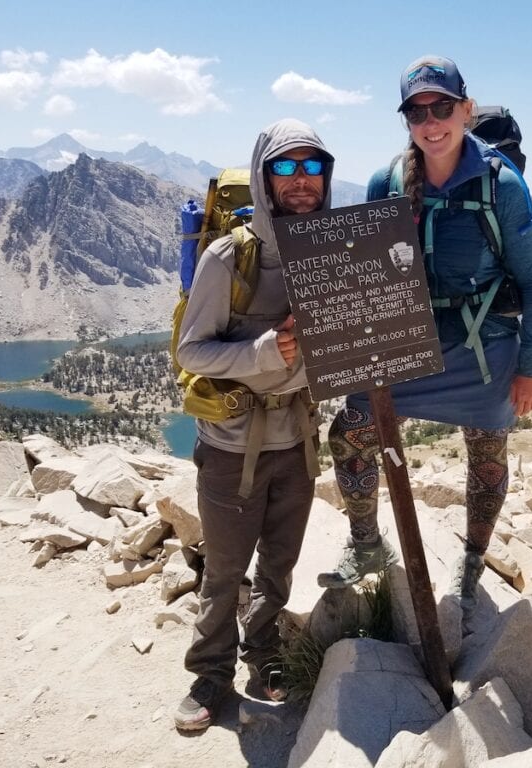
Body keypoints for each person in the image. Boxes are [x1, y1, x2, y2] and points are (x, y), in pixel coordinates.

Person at [318, 56, 532, 620]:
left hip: (485, 343)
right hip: (406, 341)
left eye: (442, 106)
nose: (431, 120)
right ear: (407, 120)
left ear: (465, 110)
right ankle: (367, 544)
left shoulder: (502, 185)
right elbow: (367, 271)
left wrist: (531, 366)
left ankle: (471, 561)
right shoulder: (387, 182)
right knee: (350, 435)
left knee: (487, 453)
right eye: (417, 110)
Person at [172, 119, 334, 731]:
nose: (300, 181)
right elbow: (193, 352)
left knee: (280, 565)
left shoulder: (332, 251)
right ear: (265, 177)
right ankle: (210, 675)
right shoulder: (225, 257)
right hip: (232, 445)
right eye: (286, 168)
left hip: (297, 442)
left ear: (327, 176)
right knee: (224, 572)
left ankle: (262, 654)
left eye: (312, 167)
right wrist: (266, 351)